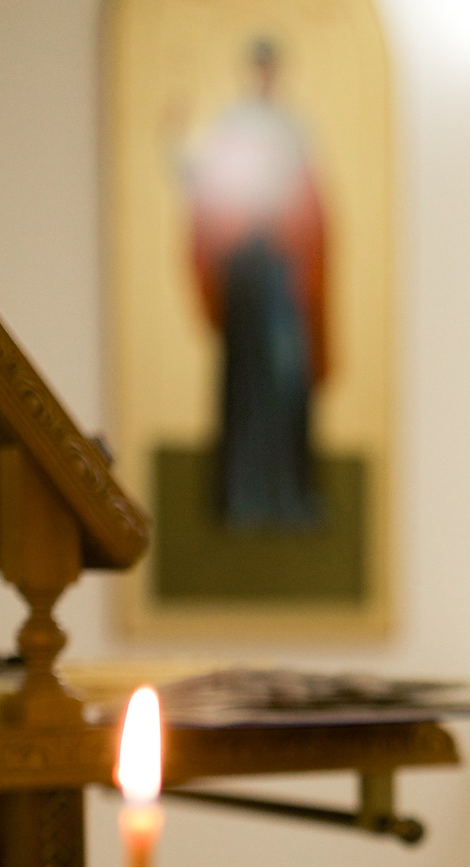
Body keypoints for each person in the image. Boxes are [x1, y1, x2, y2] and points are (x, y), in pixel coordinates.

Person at [183, 37, 331, 530]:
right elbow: (203, 188)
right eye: (260, 67)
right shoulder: (234, 125)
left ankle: (290, 497)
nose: (265, 75)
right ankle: (243, 497)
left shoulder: (293, 127)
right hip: (246, 271)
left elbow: (312, 205)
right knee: (247, 385)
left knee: (289, 381)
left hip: (283, 270)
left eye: (271, 67)